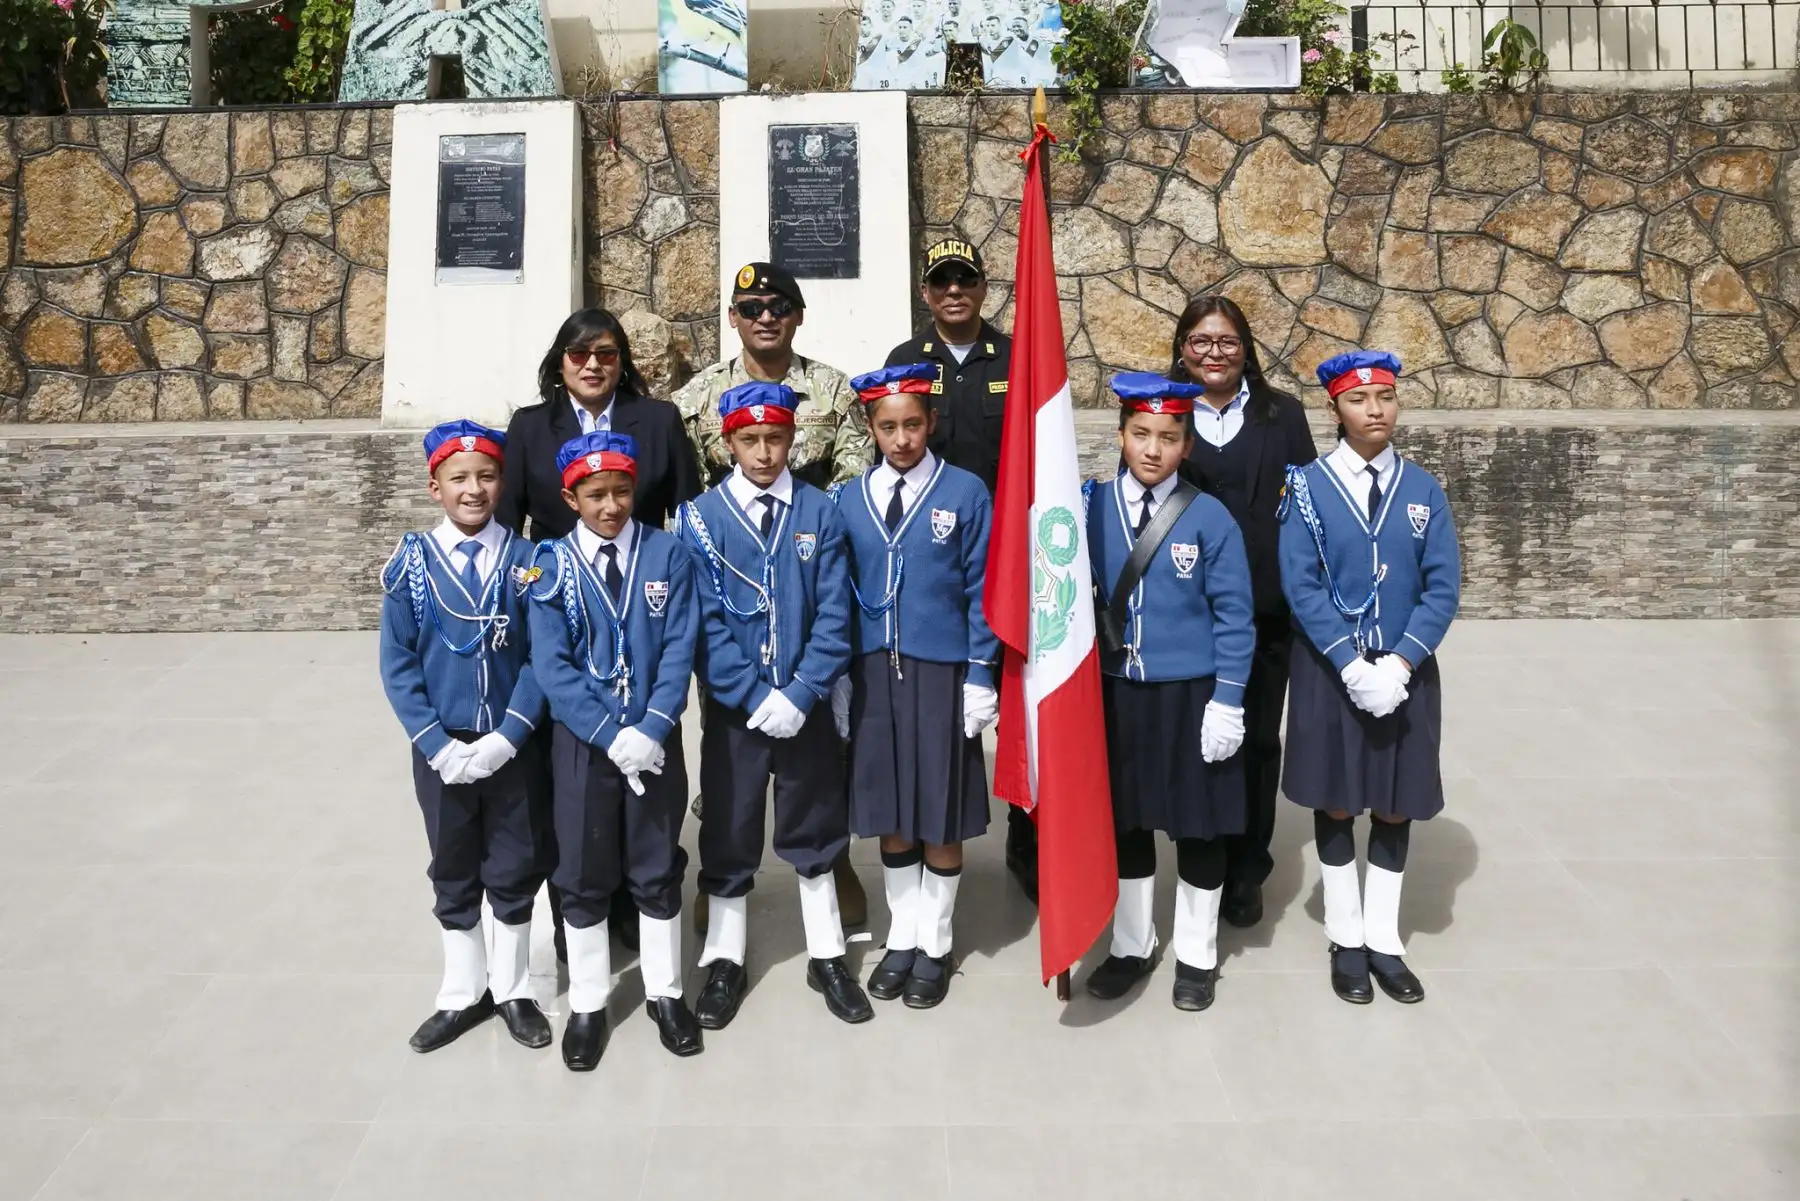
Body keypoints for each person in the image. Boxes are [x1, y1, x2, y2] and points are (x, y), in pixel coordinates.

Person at [496, 308, 704, 956]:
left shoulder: (658, 422)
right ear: (560, 363)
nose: (594, 365)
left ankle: (632, 911)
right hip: (561, 623)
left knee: (642, 787)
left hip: (641, 622)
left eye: (607, 354)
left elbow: (688, 516)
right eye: (580, 353)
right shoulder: (530, 429)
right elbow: (506, 533)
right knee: (572, 785)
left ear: (623, 362)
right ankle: (575, 915)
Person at [674, 262, 872, 930]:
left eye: (779, 305)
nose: (765, 316)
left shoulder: (833, 390)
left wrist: (805, 531)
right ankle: (723, 878)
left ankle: (827, 858)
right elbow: (692, 499)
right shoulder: (697, 396)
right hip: (730, 591)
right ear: (732, 316)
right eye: (751, 306)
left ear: (798, 315)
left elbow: (852, 485)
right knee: (730, 755)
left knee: (818, 754)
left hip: (811, 575)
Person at [1278, 350, 1461, 1006]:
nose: (1375, 409)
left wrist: (1402, 661)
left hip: (1406, 672)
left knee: (1394, 798)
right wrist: (1352, 665)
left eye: (1385, 395)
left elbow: (1443, 585)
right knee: (1335, 796)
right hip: (1333, 673)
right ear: (1335, 409)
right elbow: (1300, 582)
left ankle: (1385, 936)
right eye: (1359, 399)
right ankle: (1346, 933)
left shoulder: (1423, 490)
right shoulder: (1307, 486)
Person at [527, 431, 704, 1071]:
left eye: (622, 491)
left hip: (654, 743)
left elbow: (681, 643)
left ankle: (665, 992)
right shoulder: (549, 565)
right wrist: (609, 735)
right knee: (580, 872)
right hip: (583, 748)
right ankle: (590, 1004)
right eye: (596, 494)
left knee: (656, 866)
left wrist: (652, 728)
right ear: (571, 497)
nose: (611, 506)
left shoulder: (668, 554)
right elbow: (552, 666)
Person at [379, 420, 553, 1054]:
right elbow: (397, 664)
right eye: (459, 479)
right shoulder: (411, 566)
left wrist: (510, 735)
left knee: (513, 863)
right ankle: (460, 992)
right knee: (453, 864)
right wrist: (436, 744)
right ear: (435, 487)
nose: (473, 490)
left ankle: (511, 990)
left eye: (485, 477)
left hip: (512, 745)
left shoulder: (532, 563)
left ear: (501, 483)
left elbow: (542, 659)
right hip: (443, 750)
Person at [1082, 375, 1255, 1010]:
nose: (1153, 449)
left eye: (1170, 438)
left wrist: (1229, 700)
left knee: (1199, 828)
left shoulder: (1210, 518)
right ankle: (1131, 944)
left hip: (1192, 696)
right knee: (1128, 823)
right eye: (1141, 434)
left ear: (1187, 446)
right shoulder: (1088, 507)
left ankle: (1197, 953)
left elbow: (1236, 616)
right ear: (1121, 436)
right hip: (1119, 693)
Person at [830, 363, 998, 1009]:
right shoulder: (849, 498)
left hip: (941, 670)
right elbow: (835, 594)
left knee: (939, 807)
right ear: (871, 428)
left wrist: (980, 673)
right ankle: (901, 931)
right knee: (891, 809)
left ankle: (936, 938)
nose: (901, 439)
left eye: (913, 424)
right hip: (874, 672)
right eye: (888, 426)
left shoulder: (964, 492)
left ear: (931, 422)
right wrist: (841, 672)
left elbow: (983, 589)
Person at [884, 238, 1034, 902]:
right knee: (946, 712)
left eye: (965, 279)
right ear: (925, 291)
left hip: (1012, 561)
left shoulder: (1018, 357)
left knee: (1022, 712)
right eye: (941, 280)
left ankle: (1029, 847)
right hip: (941, 574)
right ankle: (927, 832)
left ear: (983, 286)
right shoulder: (904, 362)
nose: (953, 290)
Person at [1169, 296, 1319, 930]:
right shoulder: (1162, 412)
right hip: (1185, 610)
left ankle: (1247, 867)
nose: (1214, 353)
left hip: (1264, 612)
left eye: (1227, 341)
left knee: (1256, 741)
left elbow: (1312, 506)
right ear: (1182, 348)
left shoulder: (1282, 414)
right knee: (1194, 741)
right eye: (1201, 341)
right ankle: (1201, 854)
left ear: (1246, 347)